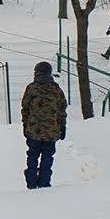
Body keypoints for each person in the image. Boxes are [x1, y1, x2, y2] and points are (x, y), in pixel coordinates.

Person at [20, 62, 68, 190]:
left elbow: (25, 108)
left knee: (32, 156)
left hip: (33, 131)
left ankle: (31, 183)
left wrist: (25, 125)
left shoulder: (31, 88)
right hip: (51, 132)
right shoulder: (56, 89)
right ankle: (44, 183)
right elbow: (62, 110)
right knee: (47, 158)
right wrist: (62, 127)